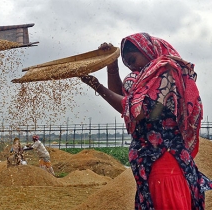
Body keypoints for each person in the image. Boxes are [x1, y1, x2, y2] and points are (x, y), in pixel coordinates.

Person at [80, 32, 212, 209]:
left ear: (147, 51)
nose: (131, 67)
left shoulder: (165, 71)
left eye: (132, 60)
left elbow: (138, 110)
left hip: (164, 162)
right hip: (150, 162)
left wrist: (97, 86)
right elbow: (124, 97)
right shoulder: (143, 77)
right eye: (127, 63)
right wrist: (112, 65)